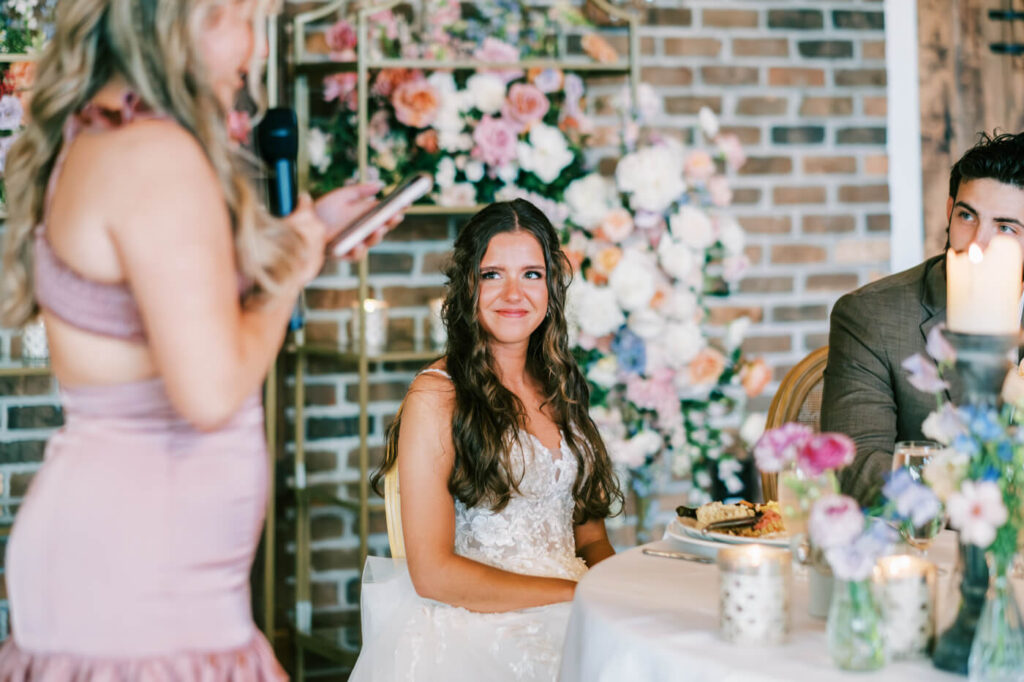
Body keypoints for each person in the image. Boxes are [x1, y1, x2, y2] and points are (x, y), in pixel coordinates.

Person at [0, 0, 398, 675]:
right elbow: (210, 392)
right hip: (142, 573)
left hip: (133, 561)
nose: (257, 50)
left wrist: (293, 244)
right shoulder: (158, 155)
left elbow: (173, 293)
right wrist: (288, 274)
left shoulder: (107, 136)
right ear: (188, 20)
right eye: (246, 18)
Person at [349, 199, 623, 681]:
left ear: (552, 284)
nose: (513, 293)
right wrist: (574, 596)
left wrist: (616, 595)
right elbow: (432, 574)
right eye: (493, 274)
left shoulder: (560, 384)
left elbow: (591, 536)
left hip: (575, 608)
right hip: (478, 628)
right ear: (468, 285)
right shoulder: (437, 396)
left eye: (531, 275)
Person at [822, 131, 1024, 506]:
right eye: (967, 216)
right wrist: (979, 508)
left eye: (1006, 227)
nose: (977, 243)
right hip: (934, 547)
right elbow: (857, 469)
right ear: (949, 211)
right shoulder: (872, 316)